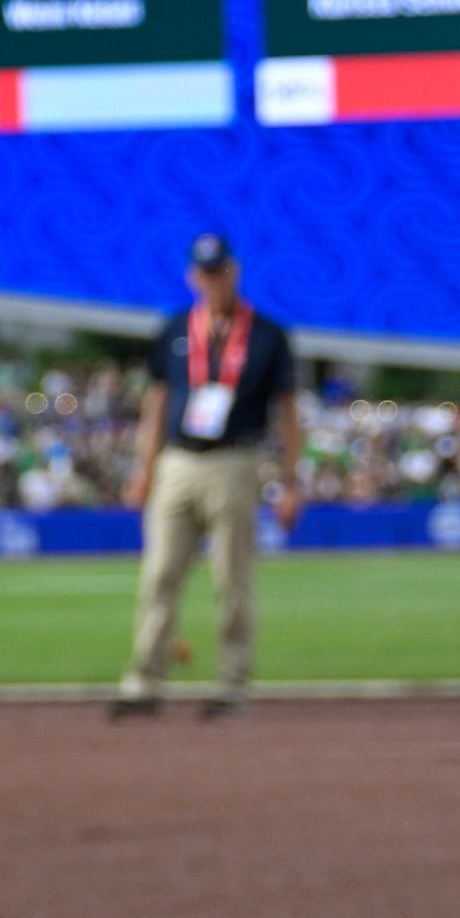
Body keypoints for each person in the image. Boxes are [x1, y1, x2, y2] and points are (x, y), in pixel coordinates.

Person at [112, 233, 306, 720]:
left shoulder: (266, 335)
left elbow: (287, 412)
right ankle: (143, 682)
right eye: (205, 272)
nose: (214, 279)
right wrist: (144, 469)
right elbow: (156, 403)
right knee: (159, 575)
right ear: (192, 277)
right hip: (178, 460)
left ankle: (231, 685)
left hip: (235, 460)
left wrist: (290, 480)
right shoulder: (175, 330)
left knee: (232, 578)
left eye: (220, 270)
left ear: (234, 272)